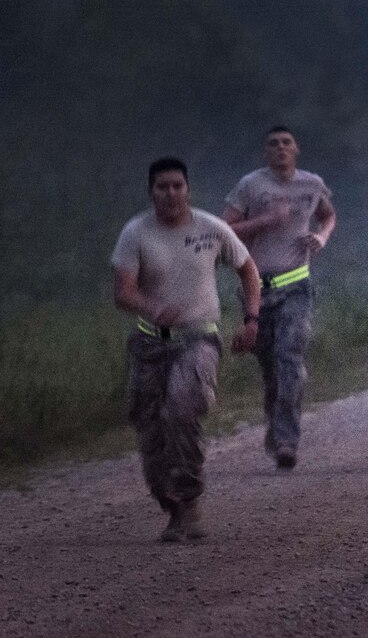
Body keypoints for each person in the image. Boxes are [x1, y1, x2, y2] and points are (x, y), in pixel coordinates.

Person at [112, 158, 260, 542]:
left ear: (188, 189)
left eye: (178, 186)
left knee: (182, 408)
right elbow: (123, 292)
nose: (171, 193)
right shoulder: (136, 232)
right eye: (163, 187)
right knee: (150, 428)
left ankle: (190, 502)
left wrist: (251, 319)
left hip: (198, 338)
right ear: (151, 192)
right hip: (150, 342)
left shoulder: (212, 228)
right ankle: (171, 504)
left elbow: (248, 269)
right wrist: (152, 307)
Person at [223, 126, 336, 470]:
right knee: (271, 368)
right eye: (273, 144)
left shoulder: (312, 184)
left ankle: (288, 440)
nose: (281, 148)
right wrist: (265, 221)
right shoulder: (250, 186)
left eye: (286, 143)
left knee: (290, 357)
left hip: (297, 284)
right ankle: (276, 427)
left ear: (296, 148)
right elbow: (224, 229)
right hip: (257, 287)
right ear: (266, 152)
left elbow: (328, 214)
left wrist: (322, 237)